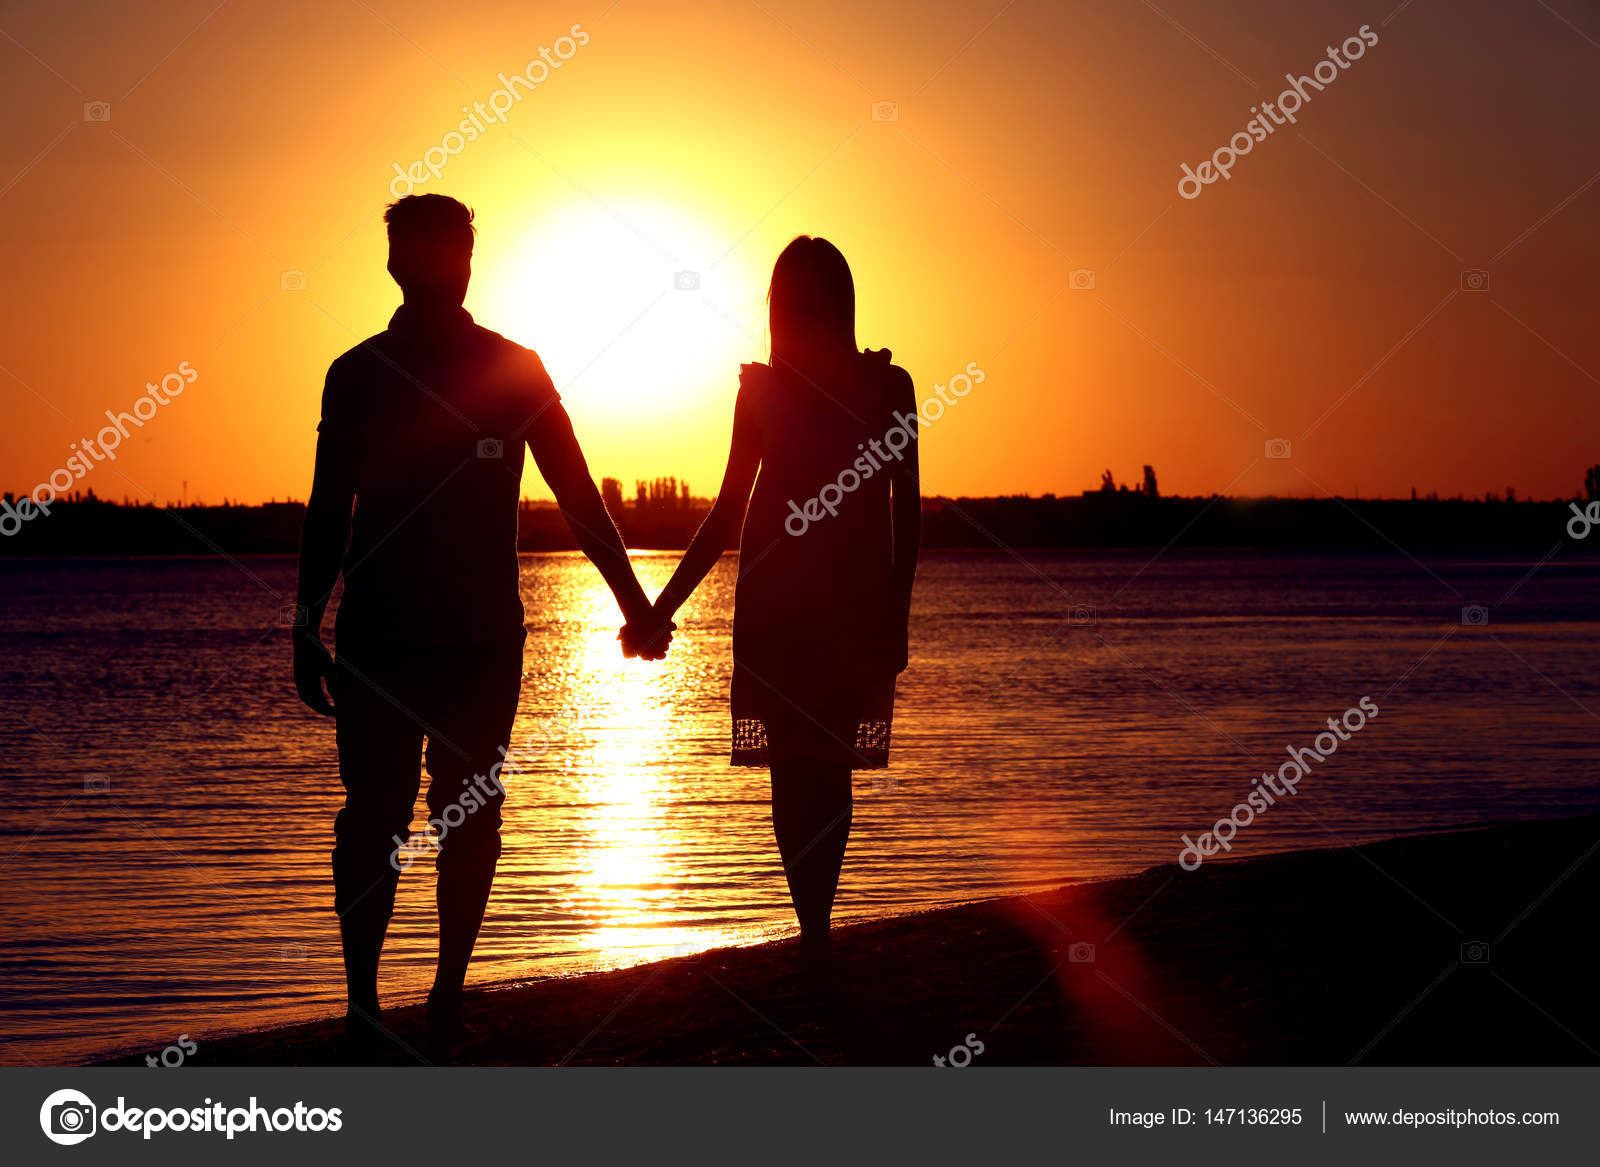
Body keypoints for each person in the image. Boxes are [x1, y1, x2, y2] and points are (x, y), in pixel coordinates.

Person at [292, 194, 672, 1053]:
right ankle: (373, 1004)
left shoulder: (508, 370)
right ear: (402, 264)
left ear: (464, 263)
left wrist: (635, 601)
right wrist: (306, 622)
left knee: (454, 814)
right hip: (386, 638)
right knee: (384, 816)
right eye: (421, 253)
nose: (433, 269)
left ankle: (438, 996)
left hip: (472, 641)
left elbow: (578, 496)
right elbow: (329, 508)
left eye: (442, 252)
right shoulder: (358, 374)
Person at [630, 236, 920, 972]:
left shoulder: (886, 388)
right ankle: (815, 931)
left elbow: (904, 511)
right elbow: (732, 512)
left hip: (814, 606)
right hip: (809, 605)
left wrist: (896, 615)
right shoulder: (786, 391)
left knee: (808, 770)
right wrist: (658, 606)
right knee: (815, 769)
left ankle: (814, 930)